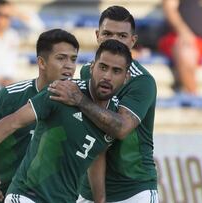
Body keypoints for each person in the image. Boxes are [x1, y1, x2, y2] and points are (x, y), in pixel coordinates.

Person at [0, 39, 131, 203]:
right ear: (92, 67)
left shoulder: (113, 117)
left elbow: (96, 155)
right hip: (25, 196)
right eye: (103, 67)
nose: (107, 76)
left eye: (116, 71)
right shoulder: (62, 92)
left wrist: (100, 199)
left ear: (126, 77)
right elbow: (14, 121)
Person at [48, 6, 158, 203]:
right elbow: (90, 132)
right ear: (98, 36)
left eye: (122, 35)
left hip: (133, 191)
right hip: (90, 190)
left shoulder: (143, 82)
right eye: (107, 34)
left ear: (132, 41)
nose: (114, 41)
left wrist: (80, 100)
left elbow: (122, 128)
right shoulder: (86, 73)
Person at [0, 29, 79, 203]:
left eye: (73, 59)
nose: (69, 66)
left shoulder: (78, 103)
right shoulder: (9, 96)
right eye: (61, 58)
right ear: (41, 63)